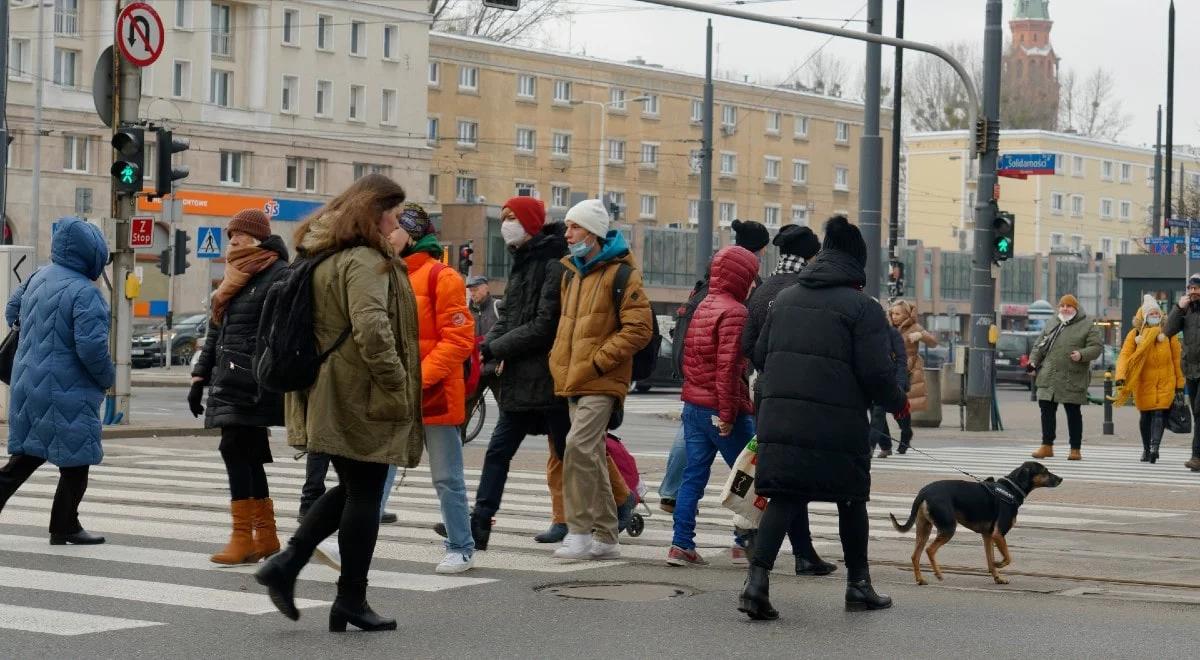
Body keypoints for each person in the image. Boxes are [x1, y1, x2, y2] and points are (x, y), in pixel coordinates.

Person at [255, 173, 423, 633]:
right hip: (359, 391)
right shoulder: (365, 260)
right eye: (392, 210)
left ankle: (288, 564)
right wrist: (397, 382)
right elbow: (371, 328)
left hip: (332, 387)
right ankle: (349, 597)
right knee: (365, 491)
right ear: (373, 211)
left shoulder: (324, 252)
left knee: (352, 488)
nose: (397, 220)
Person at [739, 216, 909, 621]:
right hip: (838, 423)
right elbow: (876, 374)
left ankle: (756, 584)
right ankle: (858, 585)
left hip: (780, 419)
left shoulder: (786, 299)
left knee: (784, 496)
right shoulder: (862, 308)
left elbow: (760, 355)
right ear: (856, 264)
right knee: (851, 500)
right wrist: (898, 404)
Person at [549, 199, 653, 560]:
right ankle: (607, 535)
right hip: (573, 377)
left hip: (601, 379)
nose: (568, 234)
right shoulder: (572, 273)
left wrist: (597, 361)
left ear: (592, 232)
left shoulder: (622, 273)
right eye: (567, 227)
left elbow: (640, 329)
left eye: (574, 227)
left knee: (577, 448)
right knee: (589, 454)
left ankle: (579, 531)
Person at [0, 218, 114, 545]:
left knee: (27, 457)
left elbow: (12, 313)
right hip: (66, 389)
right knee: (77, 462)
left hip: (27, 382)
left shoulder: (38, 277)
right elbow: (91, 348)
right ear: (91, 253)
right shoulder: (85, 292)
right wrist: (107, 377)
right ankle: (64, 525)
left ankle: (65, 524)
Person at [376, 203, 476, 573]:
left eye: (392, 229)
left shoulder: (443, 277)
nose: (386, 235)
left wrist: (417, 378)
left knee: (447, 476)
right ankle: (355, 540)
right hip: (395, 391)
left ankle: (461, 546)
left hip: (432, 393)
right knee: (378, 471)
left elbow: (459, 339)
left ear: (412, 233)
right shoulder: (385, 274)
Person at [189, 209, 290, 565]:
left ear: (258, 238)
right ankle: (265, 536)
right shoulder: (236, 274)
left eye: (239, 234)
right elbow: (217, 328)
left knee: (234, 447)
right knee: (246, 452)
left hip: (255, 380)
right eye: (230, 234)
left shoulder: (278, 273)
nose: (232, 240)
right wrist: (200, 376)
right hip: (228, 378)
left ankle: (243, 537)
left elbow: (279, 333)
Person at [469, 196, 572, 548]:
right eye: (502, 217)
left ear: (530, 222)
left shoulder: (554, 263)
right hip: (520, 382)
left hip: (549, 380)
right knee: (498, 452)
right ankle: (479, 523)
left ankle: (611, 508)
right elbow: (509, 318)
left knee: (569, 454)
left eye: (511, 217)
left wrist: (495, 347)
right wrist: (485, 344)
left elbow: (545, 326)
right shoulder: (522, 263)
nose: (505, 224)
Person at [738, 224, 835, 575]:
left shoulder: (762, 291)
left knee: (782, 472)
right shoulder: (803, 290)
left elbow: (747, 345)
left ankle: (802, 551)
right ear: (811, 256)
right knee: (796, 475)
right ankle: (781, 552)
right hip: (799, 394)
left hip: (765, 391)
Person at [668, 246, 759, 567]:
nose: (752, 283)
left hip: (693, 404)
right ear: (740, 276)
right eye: (750, 276)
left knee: (693, 476)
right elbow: (728, 367)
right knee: (749, 475)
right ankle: (743, 543)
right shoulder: (736, 312)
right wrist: (727, 413)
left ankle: (681, 545)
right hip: (720, 408)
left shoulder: (704, 304)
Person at [1029, 294, 1103, 461]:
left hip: (1072, 376)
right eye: (1062, 306)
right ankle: (1047, 446)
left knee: (1073, 412)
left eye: (1069, 306)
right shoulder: (1052, 322)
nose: (1065, 309)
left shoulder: (1087, 325)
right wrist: (1032, 363)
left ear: (1075, 309)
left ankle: (1075, 449)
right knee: (1046, 410)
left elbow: (1097, 347)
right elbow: (1039, 345)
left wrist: (1082, 354)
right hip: (1049, 375)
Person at [1115, 295, 1184, 464]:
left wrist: (1180, 384)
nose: (1155, 316)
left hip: (1165, 382)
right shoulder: (1135, 335)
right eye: (1151, 313)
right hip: (1143, 383)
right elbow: (1124, 356)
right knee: (1146, 416)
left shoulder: (1168, 334)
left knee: (1159, 413)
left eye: (1156, 313)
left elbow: (1177, 359)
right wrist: (1121, 376)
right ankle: (1146, 448)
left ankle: (1154, 448)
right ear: (1144, 316)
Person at [887, 300, 938, 453]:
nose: (894, 317)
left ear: (907, 314)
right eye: (892, 313)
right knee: (891, 404)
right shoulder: (888, 328)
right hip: (890, 368)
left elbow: (933, 342)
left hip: (909, 369)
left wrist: (921, 335)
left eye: (898, 314)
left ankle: (905, 435)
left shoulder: (915, 327)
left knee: (902, 403)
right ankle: (904, 432)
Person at [1163, 273, 1200, 470]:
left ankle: (1196, 456)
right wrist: (1178, 308)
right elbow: (1167, 331)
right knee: (1196, 412)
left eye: (1197, 289)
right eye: (1191, 289)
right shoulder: (1187, 311)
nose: (1193, 292)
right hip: (1191, 370)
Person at [870, 304, 911, 459]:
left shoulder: (892, 333)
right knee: (877, 414)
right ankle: (880, 446)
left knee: (900, 415)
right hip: (874, 380)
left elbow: (901, 359)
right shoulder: (867, 334)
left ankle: (906, 433)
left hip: (891, 380)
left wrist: (900, 383)